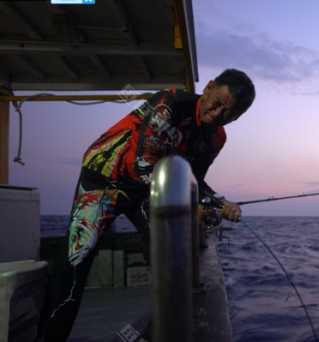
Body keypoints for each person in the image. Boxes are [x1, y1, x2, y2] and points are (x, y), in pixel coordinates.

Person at [37, 68, 255, 341]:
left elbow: (195, 180)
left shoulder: (216, 138)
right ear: (208, 87)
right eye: (217, 103)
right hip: (104, 179)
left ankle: (153, 332)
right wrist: (192, 203)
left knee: (174, 260)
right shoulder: (170, 103)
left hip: (147, 191)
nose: (217, 114)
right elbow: (144, 164)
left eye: (229, 114)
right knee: (76, 262)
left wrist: (222, 203)